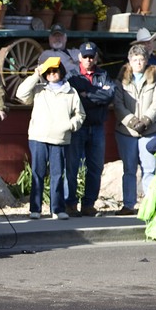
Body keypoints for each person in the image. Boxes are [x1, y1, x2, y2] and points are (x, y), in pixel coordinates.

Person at [16, 56, 85, 220]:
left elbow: (80, 114)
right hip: (38, 136)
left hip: (60, 139)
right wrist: (35, 74)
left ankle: (57, 209)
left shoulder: (71, 91)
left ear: (61, 71)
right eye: (49, 71)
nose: (53, 73)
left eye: (55, 70)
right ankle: (35, 208)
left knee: (57, 174)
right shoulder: (39, 89)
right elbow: (21, 94)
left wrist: (70, 125)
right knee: (37, 173)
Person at [64, 42, 115, 218]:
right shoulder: (72, 76)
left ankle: (88, 204)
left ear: (96, 57)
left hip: (97, 127)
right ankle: (70, 204)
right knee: (72, 166)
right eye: (85, 56)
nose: (88, 59)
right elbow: (74, 99)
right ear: (79, 57)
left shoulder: (103, 75)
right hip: (78, 127)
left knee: (95, 167)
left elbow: (109, 95)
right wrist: (96, 96)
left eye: (91, 56)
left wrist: (88, 95)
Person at [113, 44, 156, 215]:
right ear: (129, 61)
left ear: (147, 60)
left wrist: (146, 121)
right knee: (129, 169)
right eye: (135, 60)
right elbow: (118, 105)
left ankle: (150, 205)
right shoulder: (121, 79)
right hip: (126, 131)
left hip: (149, 131)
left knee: (149, 169)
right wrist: (133, 121)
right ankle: (128, 204)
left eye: (142, 59)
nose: (138, 63)